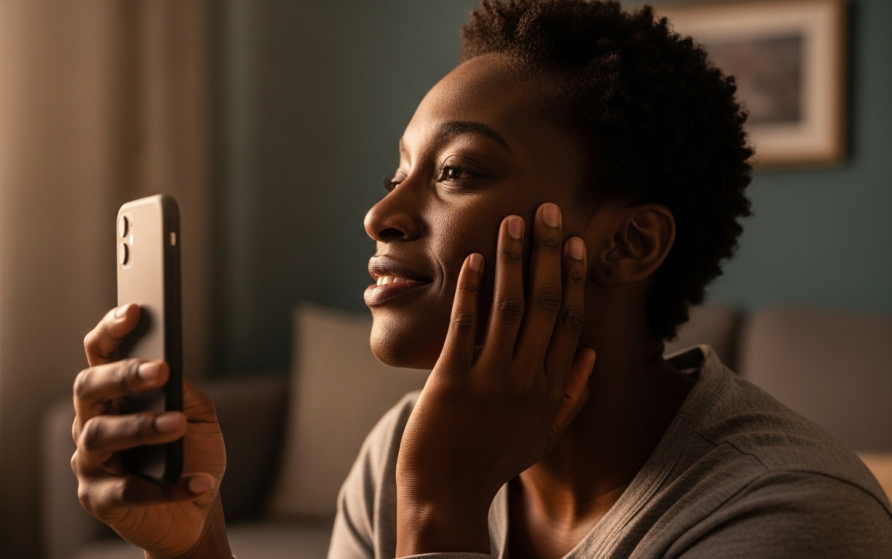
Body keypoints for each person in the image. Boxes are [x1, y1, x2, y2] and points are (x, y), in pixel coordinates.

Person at [70, 1, 892, 557]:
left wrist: (442, 506)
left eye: (457, 170)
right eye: (396, 171)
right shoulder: (401, 446)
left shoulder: (791, 517)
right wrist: (193, 543)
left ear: (630, 242)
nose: (381, 213)